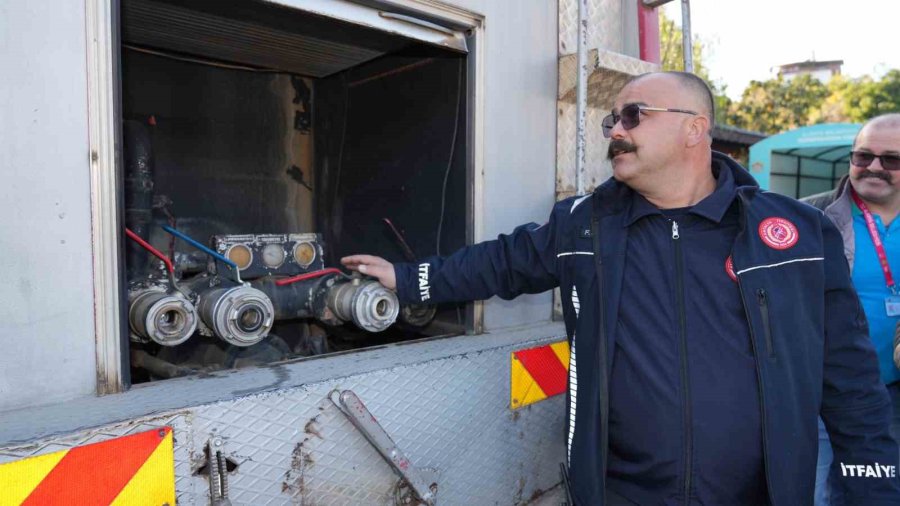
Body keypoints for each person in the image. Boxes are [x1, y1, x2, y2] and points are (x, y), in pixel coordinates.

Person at [342, 72, 900, 505]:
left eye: (634, 115)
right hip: (618, 494)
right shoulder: (585, 224)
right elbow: (501, 263)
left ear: (694, 128)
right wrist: (408, 279)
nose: (615, 130)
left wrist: (874, 486)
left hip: (761, 493)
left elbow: (848, 377)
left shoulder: (796, 232)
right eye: (613, 118)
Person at [805, 114, 900, 505]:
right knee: (812, 494)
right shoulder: (808, 218)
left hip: (892, 398)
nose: (873, 167)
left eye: (891, 159)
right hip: (822, 397)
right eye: (863, 156)